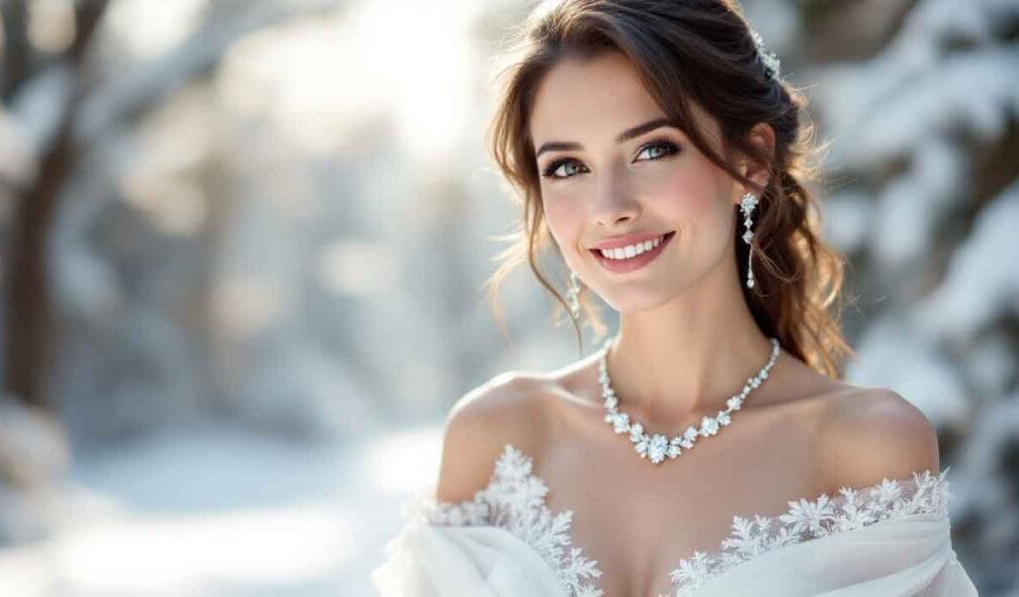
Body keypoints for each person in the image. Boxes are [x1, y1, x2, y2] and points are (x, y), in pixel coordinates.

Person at [371, 0, 979, 595]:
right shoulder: (496, 438)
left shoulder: (865, 448)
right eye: (566, 167)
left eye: (652, 150)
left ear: (752, 160)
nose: (610, 208)